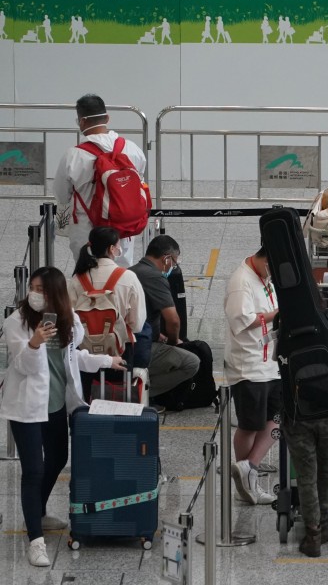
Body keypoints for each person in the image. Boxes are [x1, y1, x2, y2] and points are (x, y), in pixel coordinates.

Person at [0, 267, 126, 566]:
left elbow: (73, 358)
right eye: (32, 287)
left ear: (56, 293)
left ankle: (38, 512)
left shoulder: (66, 321)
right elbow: (24, 366)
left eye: (41, 289)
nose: (34, 293)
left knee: (57, 459)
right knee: (33, 471)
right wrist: (35, 342)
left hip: (56, 404)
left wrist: (107, 359)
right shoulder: (15, 322)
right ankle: (35, 540)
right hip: (27, 408)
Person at [280, 314, 328, 557]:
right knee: (326, 467)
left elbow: (277, 362)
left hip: (297, 410)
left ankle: (312, 533)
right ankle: (323, 523)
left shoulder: (284, 321)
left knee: (305, 473)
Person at [54, 94, 148, 266]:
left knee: (89, 277)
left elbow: (61, 195)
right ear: (107, 118)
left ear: (81, 122)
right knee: (121, 276)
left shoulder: (73, 156)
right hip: (123, 228)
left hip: (87, 231)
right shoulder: (131, 148)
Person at [224, 247, 280, 504]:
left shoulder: (265, 277)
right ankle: (246, 481)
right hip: (249, 365)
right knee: (250, 424)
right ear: (265, 259)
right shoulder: (241, 281)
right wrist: (277, 315)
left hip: (271, 363)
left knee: (278, 418)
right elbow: (241, 319)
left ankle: (249, 467)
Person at [67, 227, 146, 399]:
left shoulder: (76, 279)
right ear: (111, 249)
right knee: (120, 397)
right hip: (121, 350)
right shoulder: (128, 277)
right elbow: (137, 324)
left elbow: (68, 319)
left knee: (87, 398)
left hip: (84, 352)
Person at [129, 235, 200, 402]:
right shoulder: (155, 277)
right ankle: (141, 392)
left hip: (126, 342)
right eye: (174, 262)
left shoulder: (130, 271)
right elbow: (173, 320)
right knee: (192, 362)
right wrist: (174, 341)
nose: (173, 267)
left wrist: (157, 334)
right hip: (140, 347)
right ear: (166, 258)